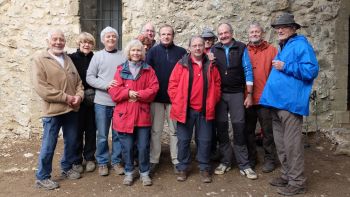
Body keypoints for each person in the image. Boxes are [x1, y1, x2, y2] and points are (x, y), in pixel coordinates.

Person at [260, 13, 319, 196]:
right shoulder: (284, 45)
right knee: (282, 144)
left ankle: (298, 182)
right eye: (278, 27)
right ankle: (287, 176)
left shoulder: (301, 44)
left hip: (290, 105)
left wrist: (285, 66)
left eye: (283, 26)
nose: (279, 30)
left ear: (293, 28)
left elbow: (311, 70)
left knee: (292, 146)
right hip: (277, 105)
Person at [32, 29, 84, 190]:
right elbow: (42, 88)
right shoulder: (40, 59)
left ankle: (66, 168)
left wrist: (79, 96)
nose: (58, 42)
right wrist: (66, 98)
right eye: (55, 39)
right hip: (53, 111)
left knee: (71, 141)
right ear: (48, 41)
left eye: (61, 39)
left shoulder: (67, 58)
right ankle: (42, 177)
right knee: (49, 144)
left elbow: (78, 83)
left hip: (71, 110)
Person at [168, 36, 221, 183]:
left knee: (204, 140)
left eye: (200, 45)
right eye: (194, 45)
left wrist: (213, 99)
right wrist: (177, 101)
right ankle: (183, 168)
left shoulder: (211, 64)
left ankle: (204, 168)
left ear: (204, 47)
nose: (197, 48)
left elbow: (217, 84)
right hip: (186, 110)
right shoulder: (182, 64)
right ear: (189, 47)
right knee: (183, 140)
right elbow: (172, 84)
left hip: (205, 109)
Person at [108, 39, 159, 186]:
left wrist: (137, 95)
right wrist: (128, 93)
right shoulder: (120, 69)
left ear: (143, 53)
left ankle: (144, 173)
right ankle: (129, 172)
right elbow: (114, 91)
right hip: (124, 115)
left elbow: (154, 89)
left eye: (138, 51)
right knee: (127, 147)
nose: (136, 53)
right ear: (128, 53)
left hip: (142, 114)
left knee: (143, 147)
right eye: (133, 50)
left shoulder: (148, 70)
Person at [211, 22, 257, 179]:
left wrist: (249, 94)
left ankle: (244, 164)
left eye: (226, 33)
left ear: (231, 33)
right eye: (221, 33)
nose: (223, 36)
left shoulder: (241, 47)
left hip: (237, 93)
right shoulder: (214, 49)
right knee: (222, 129)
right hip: (220, 95)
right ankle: (225, 161)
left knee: (239, 127)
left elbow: (248, 70)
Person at [146, 24, 187, 174]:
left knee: (174, 130)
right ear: (159, 35)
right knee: (156, 130)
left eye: (168, 34)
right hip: (156, 98)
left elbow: (185, 75)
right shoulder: (152, 52)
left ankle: (176, 160)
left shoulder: (182, 52)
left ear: (173, 36)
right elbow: (147, 73)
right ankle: (154, 159)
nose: (166, 36)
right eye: (163, 34)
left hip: (174, 99)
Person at [86, 26, 125, 176]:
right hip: (102, 102)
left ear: (117, 39)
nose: (111, 39)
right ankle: (102, 162)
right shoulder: (98, 56)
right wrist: (106, 85)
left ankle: (116, 161)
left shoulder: (123, 56)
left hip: (119, 103)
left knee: (117, 134)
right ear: (103, 40)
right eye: (107, 37)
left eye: (113, 36)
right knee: (102, 135)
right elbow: (90, 77)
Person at [243, 22, 278, 172]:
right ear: (248, 35)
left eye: (257, 32)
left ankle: (270, 159)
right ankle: (252, 158)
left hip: (265, 99)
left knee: (267, 132)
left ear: (262, 33)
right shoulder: (244, 50)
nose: (254, 34)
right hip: (247, 98)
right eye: (252, 32)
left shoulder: (272, 50)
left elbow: (276, 76)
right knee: (248, 131)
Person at [68, 32, 97, 173]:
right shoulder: (71, 58)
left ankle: (90, 158)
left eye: (89, 43)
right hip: (77, 99)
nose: (86, 45)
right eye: (83, 42)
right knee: (77, 131)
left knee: (91, 130)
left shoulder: (96, 58)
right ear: (79, 44)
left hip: (92, 100)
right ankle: (76, 160)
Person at [201, 27, 219, 161]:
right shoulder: (198, 53)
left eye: (210, 39)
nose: (207, 41)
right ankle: (203, 152)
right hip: (201, 95)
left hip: (213, 93)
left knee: (212, 125)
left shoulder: (217, 51)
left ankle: (213, 151)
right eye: (205, 39)